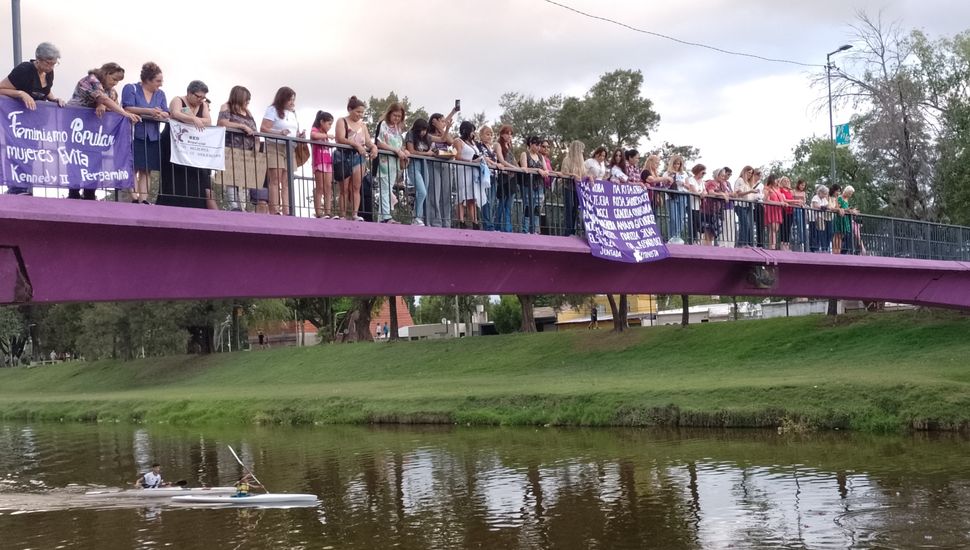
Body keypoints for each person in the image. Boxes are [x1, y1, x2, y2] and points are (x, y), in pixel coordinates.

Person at [66, 62, 141, 200]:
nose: (115, 83)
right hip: (76, 126)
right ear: (106, 73)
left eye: (118, 81)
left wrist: (105, 105)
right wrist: (123, 112)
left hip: (94, 131)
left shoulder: (111, 91)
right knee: (75, 158)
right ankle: (74, 193)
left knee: (95, 159)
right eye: (114, 79)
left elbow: (111, 104)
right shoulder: (90, 80)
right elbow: (102, 98)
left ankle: (90, 193)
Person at [1, 42, 64, 195]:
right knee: (18, 152)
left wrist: (54, 99)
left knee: (30, 153)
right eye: (49, 63)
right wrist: (21, 93)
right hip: (17, 121)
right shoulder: (24, 70)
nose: (51, 67)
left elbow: (46, 91)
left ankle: (22, 187)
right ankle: (16, 188)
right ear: (38, 59)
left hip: (35, 121)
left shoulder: (49, 73)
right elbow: (1, 88)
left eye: (54, 64)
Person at [156, 80, 215, 210]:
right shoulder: (178, 100)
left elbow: (208, 121)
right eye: (198, 96)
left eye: (203, 97)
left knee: (194, 177)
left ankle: (194, 205)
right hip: (173, 143)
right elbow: (176, 113)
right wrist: (194, 119)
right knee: (173, 176)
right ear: (189, 93)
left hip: (192, 147)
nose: (200, 99)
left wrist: (192, 119)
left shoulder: (203, 105)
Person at [122, 62, 170, 204]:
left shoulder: (160, 94)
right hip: (134, 133)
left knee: (147, 169)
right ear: (148, 80)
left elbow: (166, 111)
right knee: (133, 167)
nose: (160, 84)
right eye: (158, 81)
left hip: (153, 136)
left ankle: (144, 199)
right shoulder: (131, 88)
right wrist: (148, 111)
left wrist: (163, 115)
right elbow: (127, 107)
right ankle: (134, 196)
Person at [216, 85, 266, 213]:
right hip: (231, 148)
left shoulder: (248, 112)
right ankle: (234, 205)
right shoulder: (226, 107)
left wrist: (256, 144)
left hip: (248, 150)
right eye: (246, 99)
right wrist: (241, 126)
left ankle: (244, 206)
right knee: (231, 177)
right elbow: (222, 123)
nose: (247, 102)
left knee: (245, 178)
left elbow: (254, 129)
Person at [261, 87, 302, 215]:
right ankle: (274, 210)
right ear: (282, 99)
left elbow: (294, 130)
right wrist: (279, 133)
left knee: (287, 181)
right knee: (275, 179)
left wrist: (299, 136)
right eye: (290, 99)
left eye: (293, 99)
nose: (292, 102)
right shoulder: (272, 110)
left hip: (290, 147)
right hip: (275, 145)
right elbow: (263, 128)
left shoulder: (293, 113)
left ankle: (287, 210)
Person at [335, 96, 377, 221]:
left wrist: (374, 148)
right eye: (358, 111)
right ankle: (342, 214)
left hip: (359, 158)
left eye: (362, 112)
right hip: (344, 156)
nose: (360, 114)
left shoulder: (363, 125)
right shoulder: (341, 121)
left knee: (356, 187)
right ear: (350, 109)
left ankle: (354, 214)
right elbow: (340, 138)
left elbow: (368, 142)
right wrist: (356, 145)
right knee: (344, 188)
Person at [374, 103, 409, 223]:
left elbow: (399, 144)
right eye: (395, 115)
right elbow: (379, 143)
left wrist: (404, 151)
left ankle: (381, 218)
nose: (397, 118)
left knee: (388, 188)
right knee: (385, 188)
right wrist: (395, 150)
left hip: (394, 163)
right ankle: (386, 216)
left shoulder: (398, 128)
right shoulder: (383, 125)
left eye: (399, 116)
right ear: (389, 114)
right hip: (384, 161)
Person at [426, 108, 458, 228]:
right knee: (435, 194)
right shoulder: (428, 135)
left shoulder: (443, 133)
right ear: (434, 121)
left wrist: (444, 128)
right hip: (434, 165)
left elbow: (450, 142)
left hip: (446, 164)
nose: (444, 123)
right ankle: (436, 222)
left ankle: (446, 222)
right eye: (442, 121)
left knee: (446, 194)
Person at [454, 121, 484, 229]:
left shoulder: (473, 143)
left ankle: (475, 221)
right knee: (462, 195)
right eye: (472, 130)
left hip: (473, 171)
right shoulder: (458, 141)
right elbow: (456, 156)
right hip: (463, 169)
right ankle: (461, 221)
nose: (473, 133)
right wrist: (470, 161)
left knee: (472, 197)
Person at [518, 136, 549, 234]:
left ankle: (535, 229)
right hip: (528, 184)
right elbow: (525, 168)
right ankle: (526, 229)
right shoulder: (525, 154)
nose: (538, 147)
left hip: (539, 185)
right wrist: (537, 170)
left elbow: (545, 168)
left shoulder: (540, 157)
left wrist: (545, 171)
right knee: (528, 206)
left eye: (539, 145)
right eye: (536, 145)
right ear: (531, 144)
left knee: (537, 207)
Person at [405, 118, 433, 226]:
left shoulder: (427, 138)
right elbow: (411, 151)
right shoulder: (410, 134)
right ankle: (416, 217)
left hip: (424, 166)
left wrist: (447, 127)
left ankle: (418, 217)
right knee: (422, 191)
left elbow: (442, 139)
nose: (423, 132)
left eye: (425, 130)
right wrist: (427, 154)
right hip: (414, 165)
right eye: (421, 130)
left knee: (423, 192)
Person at [475, 126, 502, 231]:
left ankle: (490, 224)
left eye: (491, 134)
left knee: (492, 200)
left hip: (493, 176)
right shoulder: (479, 145)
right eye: (487, 134)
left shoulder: (491, 148)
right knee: (487, 201)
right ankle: (488, 225)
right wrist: (495, 164)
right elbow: (482, 157)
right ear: (481, 135)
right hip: (485, 175)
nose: (489, 136)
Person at [310, 111, 335, 218]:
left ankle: (328, 211)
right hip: (319, 161)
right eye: (329, 124)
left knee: (328, 186)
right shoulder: (316, 130)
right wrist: (326, 135)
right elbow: (313, 135)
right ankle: (319, 212)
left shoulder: (325, 135)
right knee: (320, 187)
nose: (330, 127)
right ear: (321, 122)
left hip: (327, 162)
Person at [559, 140, 586, 236]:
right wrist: (573, 175)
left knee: (575, 209)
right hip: (568, 187)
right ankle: (568, 232)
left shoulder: (581, 162)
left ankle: (573, 231)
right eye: (581, 150)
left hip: (577, 189)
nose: (582, 152)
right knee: (569, 209)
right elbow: (564, 173)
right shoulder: (567, 159)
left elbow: (583, 174)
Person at [702, 167, 733, 246]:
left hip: (718, 211)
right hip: (708, 210)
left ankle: (709, 248)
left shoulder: (723, 184)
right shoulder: (711, 183)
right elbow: (711, 192)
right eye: (722, 176)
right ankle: (706, 249)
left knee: (713, 232)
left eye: (724, 176)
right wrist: (722, 194)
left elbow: (727, 193)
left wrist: (727, 195)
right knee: (707, 232)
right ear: (717, 175)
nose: (723, 177)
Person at [664, 155, 689, 244]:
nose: (676, 166)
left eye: (678, 164)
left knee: (681, 217)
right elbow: (664, 185)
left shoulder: (684, 173)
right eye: (675, 163)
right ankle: (672, 237)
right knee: (673, 218)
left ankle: (678, 236)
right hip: (671, 196)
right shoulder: (667, 173)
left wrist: (682, 184)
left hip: (682, 195)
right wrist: (669, 180)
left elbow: (688, 186)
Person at [732, 166, 758, 247]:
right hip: (740, 205)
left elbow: (750, 195)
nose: (750, 174)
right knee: (744, 223)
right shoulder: (740, 180)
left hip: (747, 205)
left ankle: (746, 243)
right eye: (748, 172)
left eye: (751, 173)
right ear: (744, 172)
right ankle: (741, 243)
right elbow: (738, 193)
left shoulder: (748, 183)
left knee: (748, 225)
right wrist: (750, 191)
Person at [685, 163, 707, 244]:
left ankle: (696, 239)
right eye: (703, 172)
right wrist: (700, 194)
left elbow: (705, 190)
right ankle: (692, 240)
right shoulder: (691, 179)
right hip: (691, 204)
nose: (703, 174)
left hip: (698, 205)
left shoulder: (702, 181)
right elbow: (693, 189)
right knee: (692, 222)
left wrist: (703, 193)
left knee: (698, 223)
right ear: (698, 171)